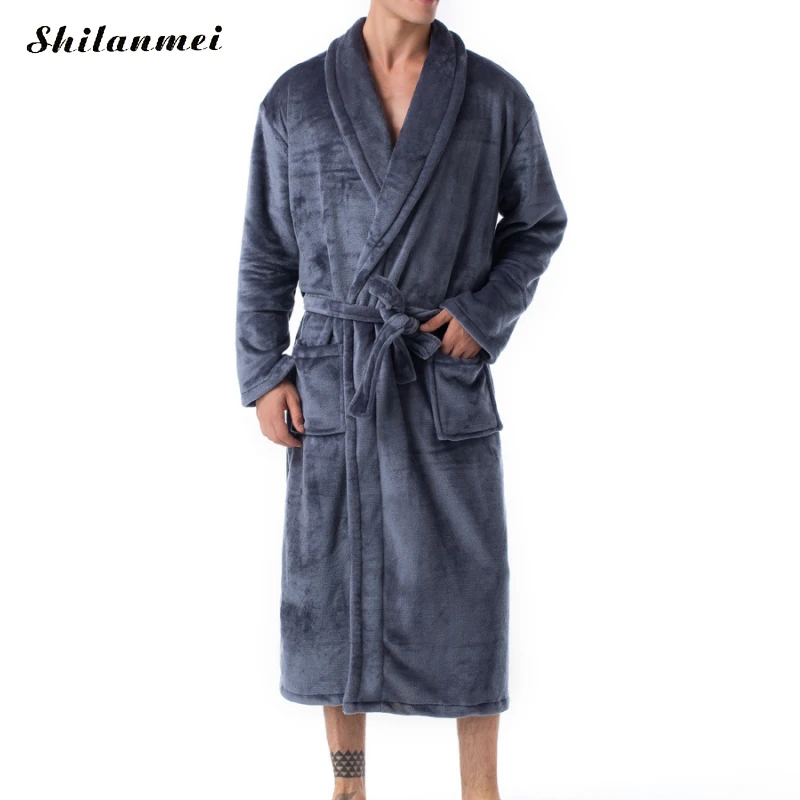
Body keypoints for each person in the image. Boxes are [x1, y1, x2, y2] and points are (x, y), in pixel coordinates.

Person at [235, 1, 567, 798]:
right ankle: (348, 787)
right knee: (334, 584)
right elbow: (267, 253)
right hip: (335, 377)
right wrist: (264, 370)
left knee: (469, 587)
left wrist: (483, 314)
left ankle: (481, 789)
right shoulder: (296, 100)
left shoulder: (493, 97)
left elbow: (538, 223)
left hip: (437, 372)